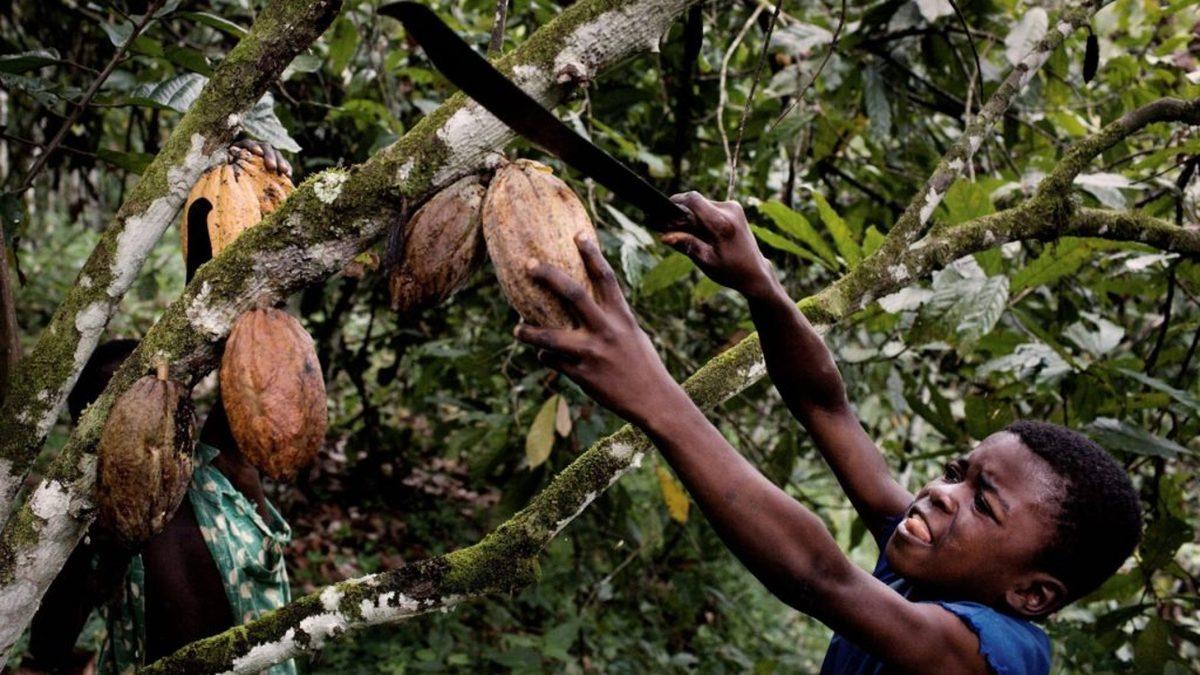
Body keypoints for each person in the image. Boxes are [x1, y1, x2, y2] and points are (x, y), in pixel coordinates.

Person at [514, 192, 1142, 674]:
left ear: (1031, 593)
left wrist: (655, 397)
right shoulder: (932, 562)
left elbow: (821, 575)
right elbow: (825, 407)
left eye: (983, 503)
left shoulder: (992, 652)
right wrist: (760, 283)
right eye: (958, 472)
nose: (944, 492)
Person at [20, 140, 297, 675]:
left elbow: (245, 331)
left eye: (154, 393)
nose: (145, 415)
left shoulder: (222, 470)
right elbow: (48, 647)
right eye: (116, 404)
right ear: (89, 430)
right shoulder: (95, 529)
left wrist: (228, 191)